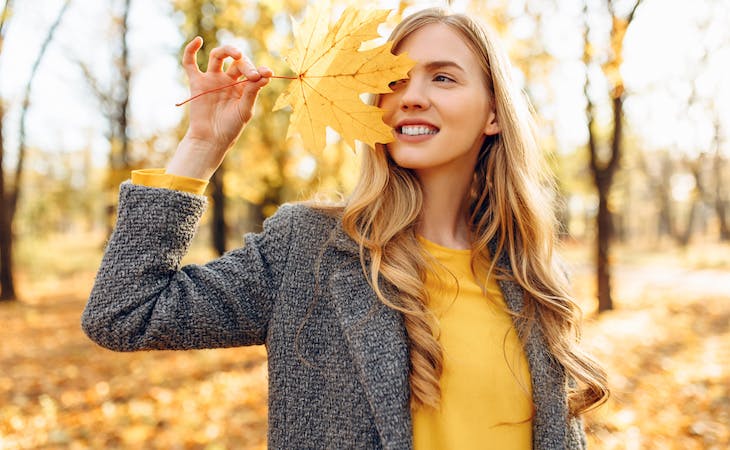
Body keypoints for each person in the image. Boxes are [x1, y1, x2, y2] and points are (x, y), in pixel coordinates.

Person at [82, 7, 608, 449]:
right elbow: (124, 312)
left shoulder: (533, 276)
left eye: (442, 77)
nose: (410, 96)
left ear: (494, 113)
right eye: (394, 80)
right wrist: (202, 145)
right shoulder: (311, 248)